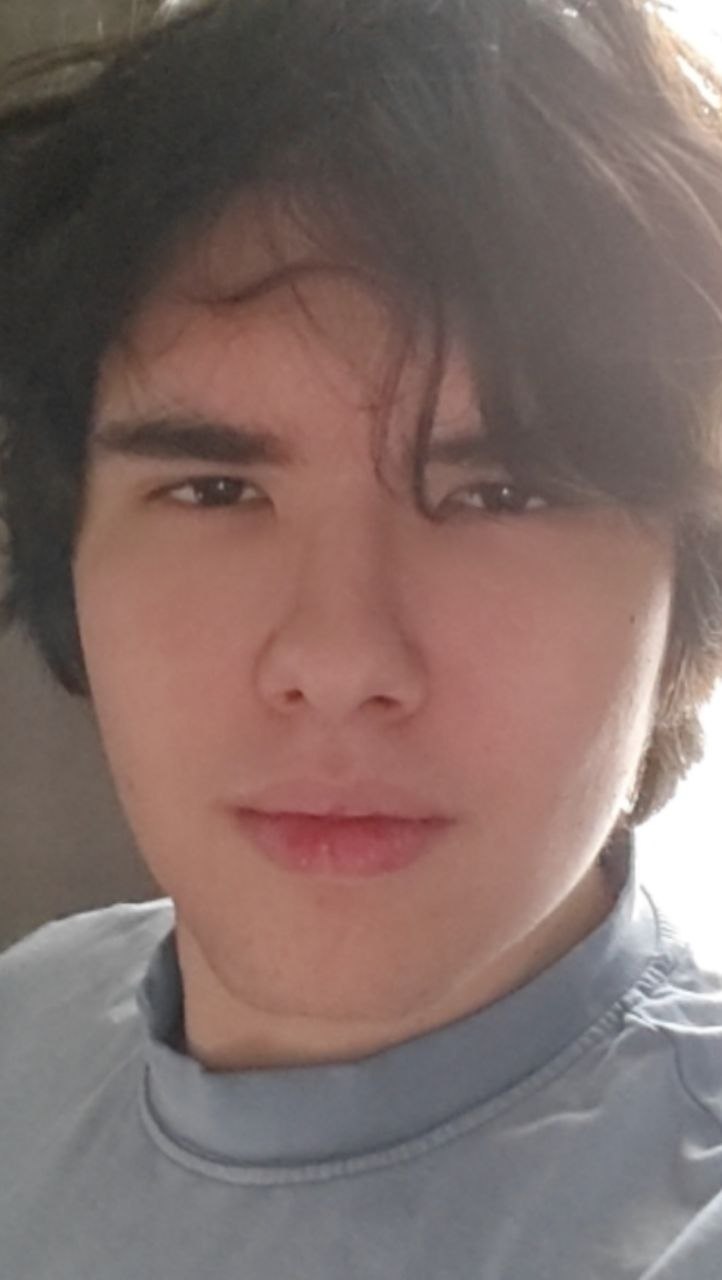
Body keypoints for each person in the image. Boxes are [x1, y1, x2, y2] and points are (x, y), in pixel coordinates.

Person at [1, 0, 722, 1274]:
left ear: (683, 590)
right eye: (214, 489)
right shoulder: (30, 1009)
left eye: (501, 494)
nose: (337, 661)